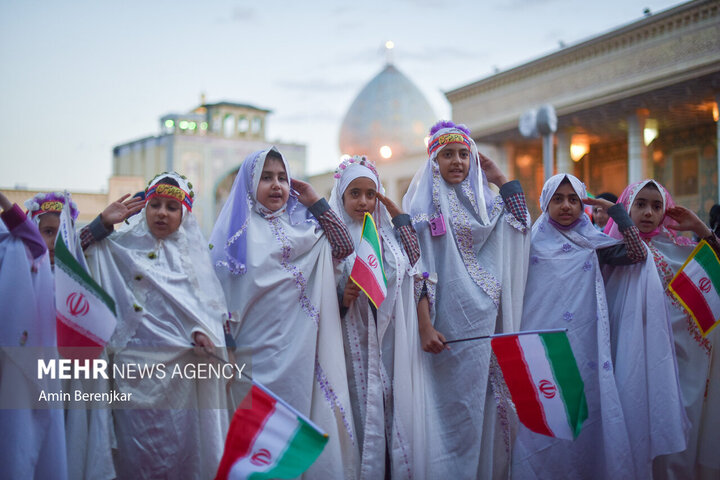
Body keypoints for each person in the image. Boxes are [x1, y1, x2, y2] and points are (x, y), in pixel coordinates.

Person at [513, 174, 686, 479]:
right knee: (543, 420)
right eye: (558, 199)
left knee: (583, 418)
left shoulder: (593, 242)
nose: (566, 206)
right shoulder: (527, 242)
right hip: (541, 348)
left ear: (584, 205)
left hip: (585, 348)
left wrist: (617, 210)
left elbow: (636, 252)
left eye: (574, 199)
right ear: (544, 202)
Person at [210, 147, 358, 478]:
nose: (276, 185)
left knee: (294, 437)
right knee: (257, 443)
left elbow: (344, 246)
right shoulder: (233, 239)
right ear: (248, 184)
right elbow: (216, 301)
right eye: (266, 177)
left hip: (299, 360)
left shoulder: (303, 232)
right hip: (251, 360)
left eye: (282, 178)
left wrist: (314, 201)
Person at [402, 120, 531, 479]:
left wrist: (499, 177)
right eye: (447, 155)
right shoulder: (421, 213)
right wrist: (425, 326)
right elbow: (419, 270)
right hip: (444, 332)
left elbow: (522, 224)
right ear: (433, 162)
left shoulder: (489, 207)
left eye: (464, 154)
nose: (457, 162)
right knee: (446, 410)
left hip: (486, 331)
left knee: (483, 410)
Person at [84, 172, 229, 479]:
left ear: (184, 213)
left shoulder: (195, 261)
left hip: (181, 380)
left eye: (172, 207)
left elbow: (206, 312)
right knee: (132, 455)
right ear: (145, 209)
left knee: (178, 453)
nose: (162, 212)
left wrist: (203, 333)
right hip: (129, 375)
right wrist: (102, 223)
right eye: (156, 205)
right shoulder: (118, 247)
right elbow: (72, 256)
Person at [605, 180, 720, 479]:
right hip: (629, 358)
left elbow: (716, 272)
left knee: (678, 425)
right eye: (640, 204)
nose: (648, 213)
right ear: (627, 206)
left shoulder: (679, 250)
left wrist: (700, 229)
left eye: (657, 206)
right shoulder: (610, 252)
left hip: (681, 365)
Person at [328, 155, 428, 478]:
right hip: (348, 349)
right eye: (354, 193)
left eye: (371, 194)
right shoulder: (328, 242)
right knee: (356, 424)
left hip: (387, 347)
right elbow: (317, 297)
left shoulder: (386, 238)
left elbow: (415, 268)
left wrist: (397, 218)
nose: (363, 201)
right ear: (341, 197)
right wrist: (342, 299)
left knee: (389, 422)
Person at [0, 192, 68, 480]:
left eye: (61, 234)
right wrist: (6, 205)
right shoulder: (20, 256)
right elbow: (34, 245)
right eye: (48, 232)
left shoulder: (73, 277)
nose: (54, 243)